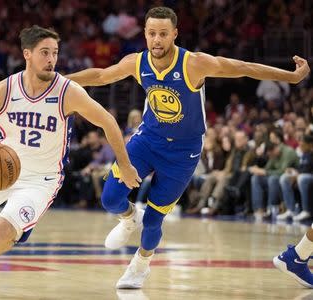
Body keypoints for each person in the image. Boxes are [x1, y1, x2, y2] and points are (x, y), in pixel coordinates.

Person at [66, 6, 310, 289]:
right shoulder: (136, 62)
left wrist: (290, 77)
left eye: (163, 34)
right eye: (152, 34)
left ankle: (140, 265)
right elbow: (100, 75)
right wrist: (59, 81)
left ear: (175, 34)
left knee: (155, 220)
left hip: (184, 152)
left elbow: (244, 68)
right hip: (147, 140)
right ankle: (130, 217)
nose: (157, 40)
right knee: (109, 198)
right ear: (144, 34)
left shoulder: (194, 63)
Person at [0, 25, 140, 295]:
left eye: (55, 53)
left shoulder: (67, 91)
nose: (51, 59)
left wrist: (125, 164)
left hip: (41, 179)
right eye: (44, 53)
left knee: (3, 230)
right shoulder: (5, 89)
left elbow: (108, 122)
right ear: (27, 54)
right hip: (1, 166)